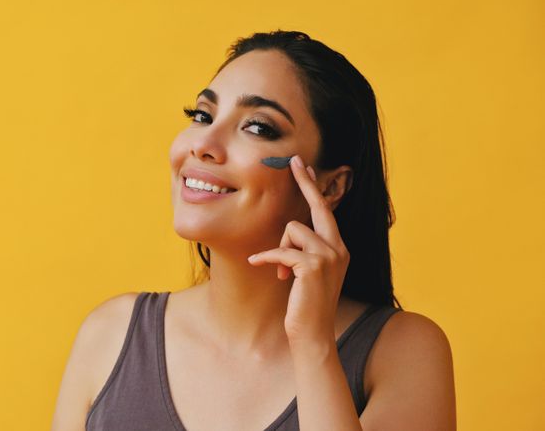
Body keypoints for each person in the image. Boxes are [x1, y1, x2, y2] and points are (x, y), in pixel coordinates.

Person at [51, 30, 456, 431]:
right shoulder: (109, 335)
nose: (204, 143)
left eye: (258, 127)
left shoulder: (404, 352)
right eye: (202, 116)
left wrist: (313, 344)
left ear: (330, 186)